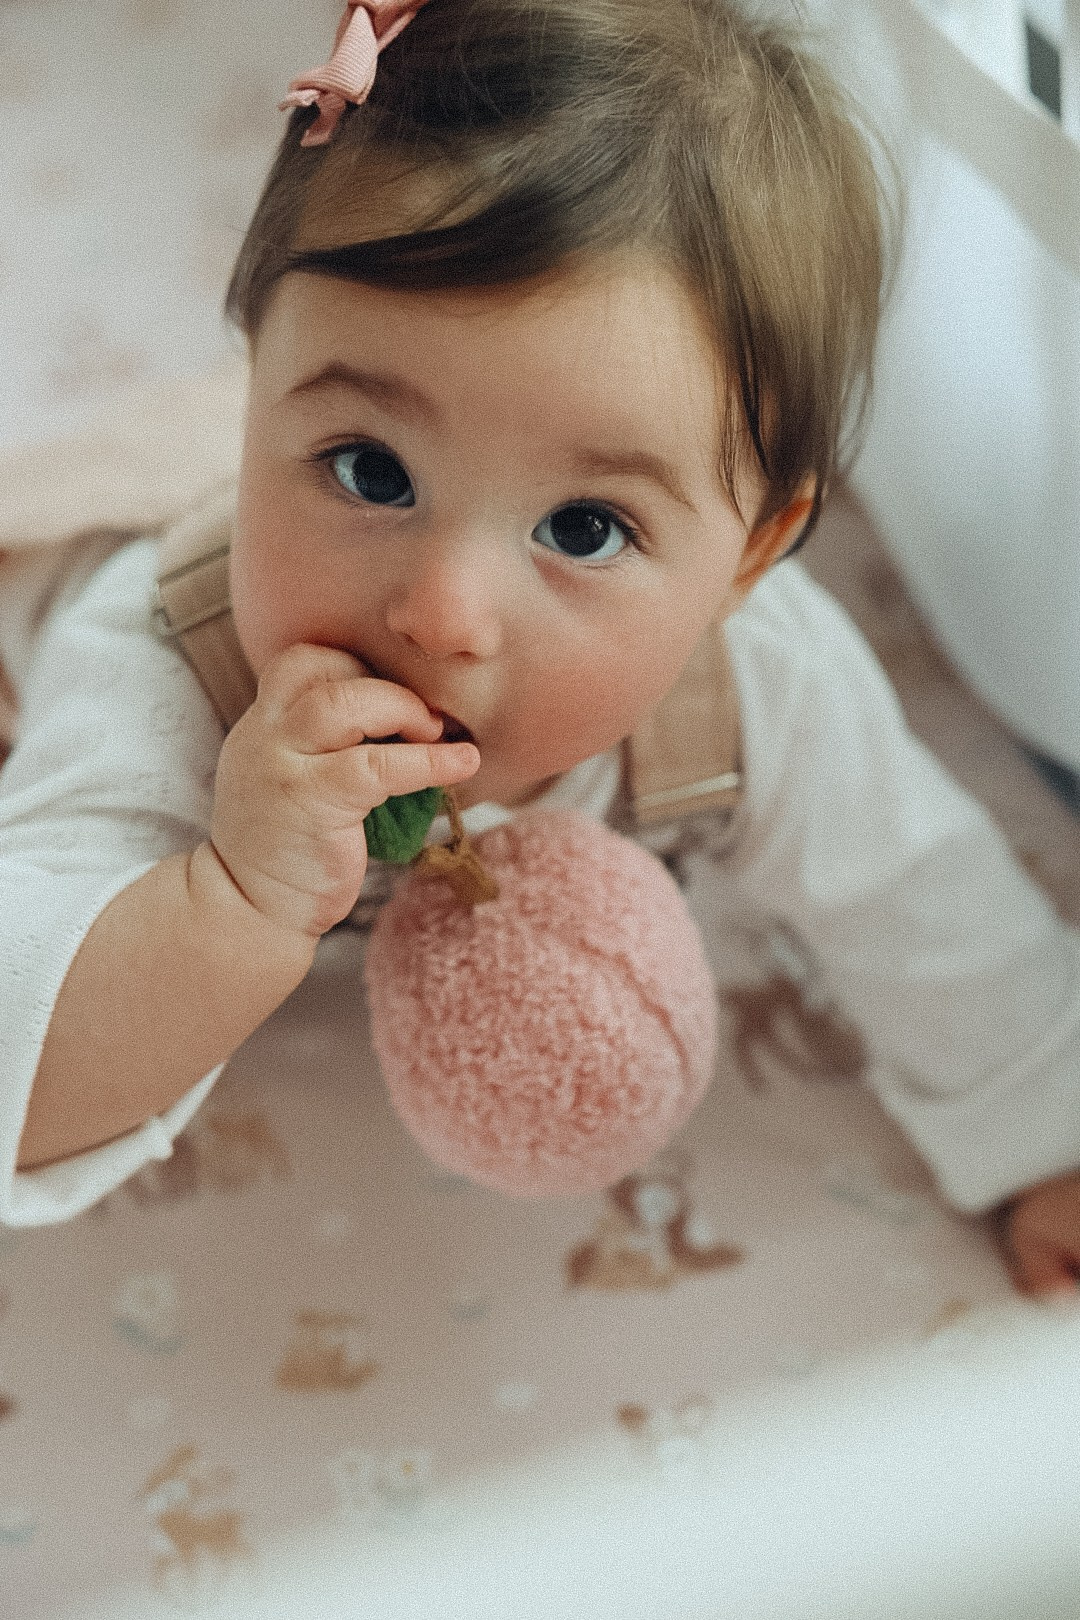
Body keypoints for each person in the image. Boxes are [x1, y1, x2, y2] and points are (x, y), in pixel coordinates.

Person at [2, 0, 1078, 1292]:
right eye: (369, 469)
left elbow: (919, 901)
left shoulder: (759, 680)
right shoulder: (162, 668)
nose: (444, 613)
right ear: (256, 389)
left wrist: (1046, 1144)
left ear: (748, 560)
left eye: (583, 527)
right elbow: (21, 1068)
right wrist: (236, 897)